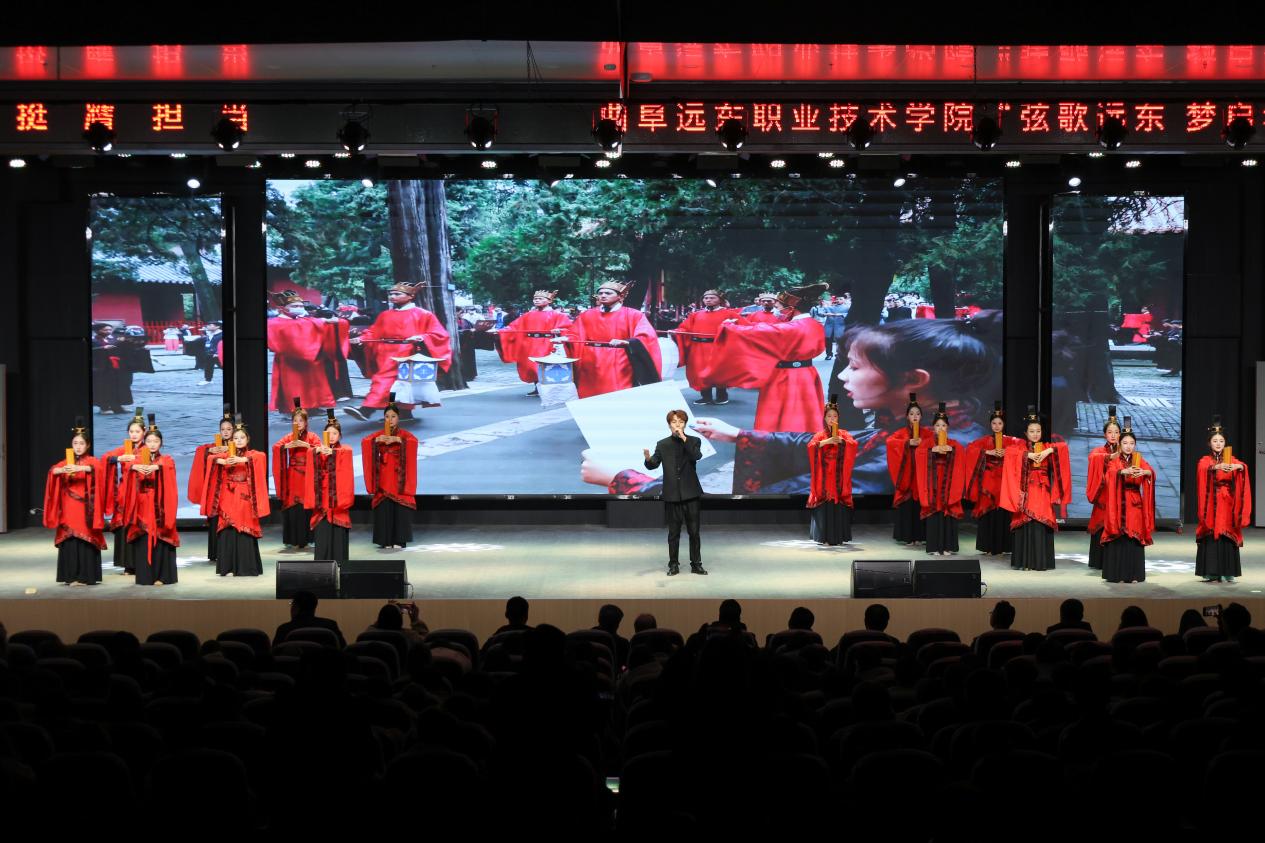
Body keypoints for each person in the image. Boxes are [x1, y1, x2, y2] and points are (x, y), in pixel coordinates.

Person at [706, 282, 827, 435]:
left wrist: (729, 327)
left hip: (786, 376)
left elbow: (760, 331)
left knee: (781, 417)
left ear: (792, 307)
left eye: (779, 306)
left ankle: (779, 442)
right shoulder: (814, 324)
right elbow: (766, 329)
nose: (777, 309)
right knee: (806, 414)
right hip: (807, 374)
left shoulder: (791, 327)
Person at [346, 281, 452, 421]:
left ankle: (367, 409)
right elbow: (374, 332)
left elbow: (439, 334)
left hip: (407, 351)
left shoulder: (423, 314)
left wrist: (421, 337)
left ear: (410, 296)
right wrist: (362, 338)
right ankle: (404, 413)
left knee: (387, 380)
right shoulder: (385, 315)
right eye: (391, 294)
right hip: (384, 352)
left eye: (397, 294)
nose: (392, 296)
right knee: (398, 382)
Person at [999, 408, 1071, 572]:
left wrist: (1048, 450)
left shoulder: (1046, 446)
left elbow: (1063, 447)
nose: (1035, 434)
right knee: (1025, 523)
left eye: (1038, 431)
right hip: (1026, 491)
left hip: (1042, 490)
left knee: (1040, 524)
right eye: (1032, 431)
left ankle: (1040, 562)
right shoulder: (1019, 447)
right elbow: (1010, 453)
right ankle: (1024, 561)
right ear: (1026, 433)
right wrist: (1027, 455)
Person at [567, 279, 662, 399]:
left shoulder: (633, 315)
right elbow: (575, 334)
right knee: (589, 393)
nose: (603, 295)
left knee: (616, 393)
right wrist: (566, 339)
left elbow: (646, 335)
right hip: (590, 360)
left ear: (620, 296)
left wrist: (627, 342)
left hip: (619, 359)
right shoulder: (587, 315)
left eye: (608, 293)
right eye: (600, 293)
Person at [201, 416, 269, 577]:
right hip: (228, 496)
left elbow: (261, 457)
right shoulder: (227, 455)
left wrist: (243, 459)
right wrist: (221, 461)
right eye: (236, 438)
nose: (238, 440)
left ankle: (245, 567)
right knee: (227, 528)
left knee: (243, 528)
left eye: (242, 438)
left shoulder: (251, 454)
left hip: (244, 496)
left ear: (247, 439)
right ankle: (228, 567)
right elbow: (210, 458)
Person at [117, 414, 180, 586]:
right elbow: (128, 469)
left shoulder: (166, 460)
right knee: (144, 539)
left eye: (156, 441)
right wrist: (134, 467)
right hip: (143, 506)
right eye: (149, 441)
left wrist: (157, 467)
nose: (152, 444)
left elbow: (168, 467)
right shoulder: (137, 459)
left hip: (160, 506)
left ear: (161, 443)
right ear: (145, 442)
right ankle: (145, 575)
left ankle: (162, 576)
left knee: (161, 539)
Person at [44, 419, 107, 586]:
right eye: (75, 443)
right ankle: (71, 576)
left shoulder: (92, 461)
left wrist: (82, 468)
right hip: (69, 507)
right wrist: (59, 470)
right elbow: (52, 470)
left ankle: (86, 576)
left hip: (86, 509)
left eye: (82, 443)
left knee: (86, 539)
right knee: (70, 539)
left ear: (88, 445)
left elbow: (99, 470)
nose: (78, 447)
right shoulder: (66, 461)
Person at [644, 409, 705, 576]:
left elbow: (696, 456)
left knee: (694, 532)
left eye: (681, 422)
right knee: (673, 533)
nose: (677, 425)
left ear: (685, 424)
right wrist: (648, 459)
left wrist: (684, 438)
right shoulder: (663, 444)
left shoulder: (694, 441)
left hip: (691, 493)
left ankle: (696, 564)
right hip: (672, 494)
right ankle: (673, 564)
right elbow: (653, 464)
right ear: (669, 425)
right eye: (674, 422)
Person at [1195, 415, 1251, 584]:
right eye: (1215, 441)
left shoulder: (1230, 459)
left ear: (1225, 443)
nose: (1218, 444)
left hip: (1227, 503)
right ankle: (1211, 572)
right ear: (1209, 443)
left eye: (1221, 441)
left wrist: (1239, 467)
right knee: (1212, 533)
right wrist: (1215, 467)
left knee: (1227, 533)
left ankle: (1228, 572)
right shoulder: (1206, 460)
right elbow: (1202, 468)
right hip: (1212, 502)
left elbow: (1242, 466)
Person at [1100, 419, 1155, 584]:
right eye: (1125, 443)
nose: (1128, 446)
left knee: (1133, 537)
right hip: (1118, 503)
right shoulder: (1115, 461)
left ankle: (1133, 574)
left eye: (1132, 443)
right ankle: (1117, 574)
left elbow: (1150, 471)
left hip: (1134, 503)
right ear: (1120, 444)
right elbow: (1109, 475)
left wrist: (1145, 472)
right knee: (1119, 536)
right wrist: (1122, 472)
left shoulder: (1138, 459)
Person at [361, 394, 418, 549]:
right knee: (384, 505)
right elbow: (365, 441)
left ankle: (399, 540)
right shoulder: (379, 434)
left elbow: (413, 442)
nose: (390, 419)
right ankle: (385, 540)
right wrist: (376, 441)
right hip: (384, 475)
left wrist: (398, 440)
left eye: (393, 416)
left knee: (400, 506)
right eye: (387, 416)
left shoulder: (404, 434)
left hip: (399, 476)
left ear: (398, 418)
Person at [964, 402, 1021, 555]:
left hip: (1004, 482)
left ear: (1004, 425)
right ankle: (987, 546)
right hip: (988, 481)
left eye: (999, 423)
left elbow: (1022, 448)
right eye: (994, 423)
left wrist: (1008, 452)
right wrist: (987, 453)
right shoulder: (984, 440)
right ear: (990, 425)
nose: (996, 426)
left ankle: (1004, 547)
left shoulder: (1011, 440)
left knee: (1004, 513)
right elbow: (970, 449)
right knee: (988, 513)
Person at [495, 290, 572, 396]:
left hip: (547, 343)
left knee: (542, 366)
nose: (537, 300)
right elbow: (514, 326)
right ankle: (537, 387)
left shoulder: (557, 315)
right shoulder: (528, 315)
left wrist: (559, 330)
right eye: (535, 299)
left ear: (549, 301)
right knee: (529, 366)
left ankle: (549, 388)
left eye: (540, 298)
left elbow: (568, 329)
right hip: (529, 344)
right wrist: (500, 331)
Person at [301, 410, 355, 563]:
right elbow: (310, 455)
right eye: (328, 433)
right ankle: (322, 564)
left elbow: (345, 457)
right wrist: (316, 451)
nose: (331, 436)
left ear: (340, 436)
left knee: (337, 530)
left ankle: (340, 562)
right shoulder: (317, 450)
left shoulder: (344, 450)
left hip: (337, 498)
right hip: (322, 497)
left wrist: (333, 453)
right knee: (322, 529)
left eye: (335, 433)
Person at [268, 292, 335, 412]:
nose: (299, 308)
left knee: (312, 385)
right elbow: (275, 343)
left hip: (310, 358)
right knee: (294, 387)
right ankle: (297, 409)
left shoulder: (305, 320)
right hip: (289, 361)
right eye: (294, 306)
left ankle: (313, 407)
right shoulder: (273, 323)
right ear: (282, 308)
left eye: (300, 306)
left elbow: (318, 324)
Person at [672, 289, 740, 406]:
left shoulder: (729, 314)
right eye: (706, 298)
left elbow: (743, 328)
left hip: (719, 347)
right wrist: (676, 331)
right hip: (698, 348)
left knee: (719, 372)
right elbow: (685, 328)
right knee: (700, 372)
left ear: (720, 300)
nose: (708, 300)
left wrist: (732, 327)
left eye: (712, 298)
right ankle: (706, 396)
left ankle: (722, 396)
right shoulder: (696, 315)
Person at [916, 403, 967, 555]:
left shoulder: (954, 444)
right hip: (933, 483)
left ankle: (948, 546)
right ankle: (934, 546)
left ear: (948, 427)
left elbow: (961, 456)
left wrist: (952, 451)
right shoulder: (927, 443)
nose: (940, 428)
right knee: (934, 511)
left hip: (948, 483)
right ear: (933, 428)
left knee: (947, 511)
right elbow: (919, 455)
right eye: (937, 425)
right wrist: (932, 451)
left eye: (943, 425)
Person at [807, 395, 857, 546]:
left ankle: (838, 536)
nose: (832, 419)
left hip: (838, 475)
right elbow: (811, 446)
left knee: (838, 501)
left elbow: (853, 444)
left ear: (838, 418)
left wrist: (842, 442)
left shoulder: (843, 434)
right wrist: (826, 441)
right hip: (824, 475)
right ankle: (824, 537)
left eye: (835, 416)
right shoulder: (820, 435)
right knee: (825, 502)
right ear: (824, 418)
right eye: (829, 416)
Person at [189, 405, 235, 563]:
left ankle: (228, 552)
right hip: (216, 487)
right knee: (215, 517)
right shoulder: (214, 446)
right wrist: (210, 452)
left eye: (229, 429)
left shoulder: (238, 446)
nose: (226, 432)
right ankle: (215, 552)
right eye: (223, 429)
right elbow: (201, 450)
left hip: (230, 487)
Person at [102, 408, 146, 574]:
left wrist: (136, 461)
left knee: (139, 525)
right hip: (124, 493)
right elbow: (106, 457)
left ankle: (140, 563)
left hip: (140, 492)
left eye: (137, 431)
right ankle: (127, 564)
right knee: (124, 525)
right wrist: (118, 458)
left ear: (144, 432)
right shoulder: (125, 448)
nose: (134, 434)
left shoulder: (147, 449)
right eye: (131, 431)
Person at [273, 401, 321, 551]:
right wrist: (286, 446)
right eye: (295, 420)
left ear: (306, 422)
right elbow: (276, 447)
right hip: (293, 476)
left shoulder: (312, 436)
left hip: (307, 476)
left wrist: (308, 446)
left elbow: (320, 449)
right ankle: (292, 539)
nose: (298, 423)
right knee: (293, 507)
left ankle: (309, 538)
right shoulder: (289, 437)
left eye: (301, 420)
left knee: (307, 506)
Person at [886, 394, 926, 545]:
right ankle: (907, 536)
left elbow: (934, 444)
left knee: (921, 505)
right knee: (908, 505)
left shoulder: (927, 434)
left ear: (921, 416)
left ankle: (921, 536)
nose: (915, 416)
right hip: (907, 476)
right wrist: (907, 443)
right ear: (907, 416)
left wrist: (924, 444)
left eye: (917, 414)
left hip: (921, 476)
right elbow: (890, 442)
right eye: (912, 414)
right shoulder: (901, 433)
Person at [1085, 407, 1122, 571]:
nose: (1113, 435)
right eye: (1110, 432)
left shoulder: (1126, 450)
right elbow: (1093, 458)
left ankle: (1116, 560)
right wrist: (1109, 457)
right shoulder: (1099, 451)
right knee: (1101, 523)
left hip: (1119, 495)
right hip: (1104, 495)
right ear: (1104, 435)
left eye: (1116, 432)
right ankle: (1099, 560)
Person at [273, 589, 346, 647]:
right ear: (314, 607)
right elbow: (343, 650)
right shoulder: (330, 626)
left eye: (292, 604)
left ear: (296, 607)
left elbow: (275, 653)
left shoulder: (284, 629)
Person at [593, 604, 630, 672]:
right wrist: (625, 670)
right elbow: (623, 666)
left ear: (599, 619)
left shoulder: (583, 638)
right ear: (617, 624)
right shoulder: (623, 644)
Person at [817, 295, 848, 360]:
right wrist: (825, 313)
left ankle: (839, 354)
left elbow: (850, 314)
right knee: (828, 341)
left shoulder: (847, 307)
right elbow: (820, 313)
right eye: (837, 299)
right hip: (829, 326)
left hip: (840, 326)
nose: (838, 300)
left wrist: (842, 314)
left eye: (840, 299)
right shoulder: (830, 307)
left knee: (839, 341)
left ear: (844, 300)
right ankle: (829, 354)